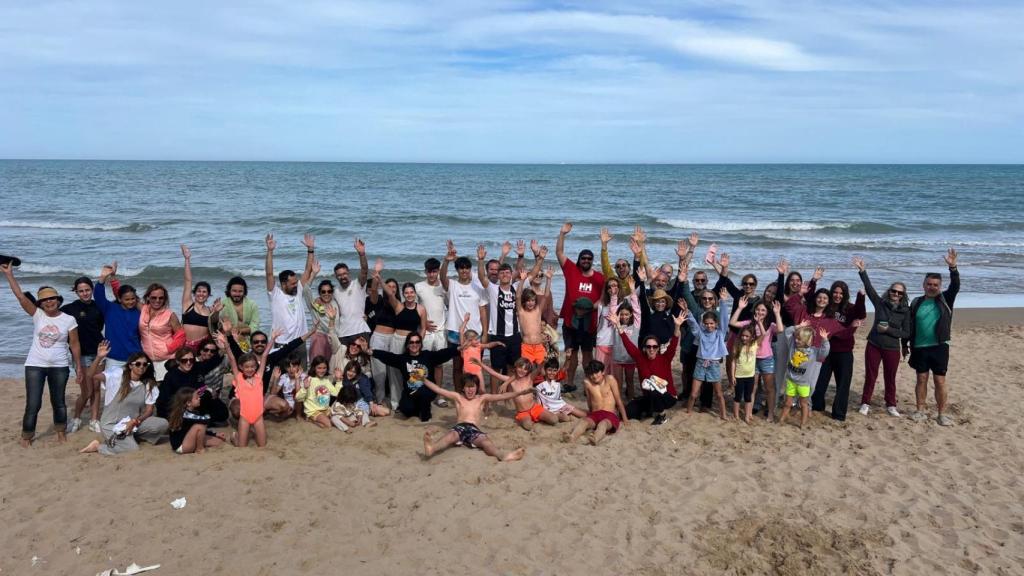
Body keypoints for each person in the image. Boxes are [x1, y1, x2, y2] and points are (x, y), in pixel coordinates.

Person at [2, 263, 82, 447]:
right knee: (33, 404)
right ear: (40, 303)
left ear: (58, 300)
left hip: (60, 366)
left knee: (59, 402)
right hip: (35, 365)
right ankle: (26, 436)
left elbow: (75, 344)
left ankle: (61, 433)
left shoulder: (69, 319)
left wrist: (78, 367)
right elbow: (21, 297)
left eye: (52, 298)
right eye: (45, 300)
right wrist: (9, 274)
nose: (49, 302)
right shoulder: (37, 314)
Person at [79, 342, 169, 455]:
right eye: (138, 364)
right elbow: (90, 375)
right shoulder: (117, 376)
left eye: (145, 364)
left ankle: (130, 437)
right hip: (111, 424)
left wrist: (136, 421)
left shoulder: (148, 384)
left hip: (133, 424)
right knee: (131, 450)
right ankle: (99, 447)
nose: (141, 367)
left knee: (162, 424)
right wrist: (99, 357)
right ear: (131, 365)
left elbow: (149, 410)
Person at [420, 374, 529, 462]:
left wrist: (520, 393)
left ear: (477, 388)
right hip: (460, 427)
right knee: (450, 436)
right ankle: (432, 448)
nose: (470, 390)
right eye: (468, 386)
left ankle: (502, 456)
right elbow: (438, 390)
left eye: (473, 386)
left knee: (486, 442)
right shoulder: (458, 398)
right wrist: (423, 380)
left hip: (474, 429)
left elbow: (501, 396)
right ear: (463, 388)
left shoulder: (482, 398)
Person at [853, 256, 911, 417]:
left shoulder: (906, 311)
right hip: (874, 344)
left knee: (890, 377)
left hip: (892, 348)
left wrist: (888, 330)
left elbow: (906, 333)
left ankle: (891, 405)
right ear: (889, 291)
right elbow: (869, 289)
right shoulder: (880, 303)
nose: (896, 294)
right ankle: (865, 403)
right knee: (871, 375)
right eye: (894, 291)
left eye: (900, 293)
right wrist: (862, 270)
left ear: (903, 295)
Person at [908, 248, 960, 426]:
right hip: (920, 346)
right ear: (924, 285)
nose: (932, 287)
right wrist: (906, 343)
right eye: (929, 284)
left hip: (939, 345)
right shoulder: (916, 302)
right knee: (921, 379)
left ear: (940, 286)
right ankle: (920, 410)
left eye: (935, 285)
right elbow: (909, 324)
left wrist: (953, 268)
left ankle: (941, 414)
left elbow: (955, 286)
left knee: (939, 380)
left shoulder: (946, 299)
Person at [611, 307, 686, 425]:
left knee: (652, 388)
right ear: (644, 348)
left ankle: (661, 416)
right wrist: (618, 325)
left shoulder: (665, 358)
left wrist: (677, 326)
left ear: (658, 348)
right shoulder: (640, 358)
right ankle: (649, 412)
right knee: (628, 412)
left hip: (667, 397)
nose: (652, 349)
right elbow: (628, 344)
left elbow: (674, 342)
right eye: (649, 346)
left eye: (654, 347)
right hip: (649, 397)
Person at [555, 221, 605, 389]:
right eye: (583, 258)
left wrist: (593, 306)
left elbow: (604, 297)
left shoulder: (599, 277)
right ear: (579, 259)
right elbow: (559, 252)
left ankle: (589, 383)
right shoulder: (571, 270)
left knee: (587, 355)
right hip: (571, 321)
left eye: (589, 259)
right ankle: (569, 383)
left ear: (592, 261)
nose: (586, 260)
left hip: (589, 323)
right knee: (571, 354)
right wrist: (562, 234)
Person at [372, 333, 458, 422]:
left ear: (420, 344)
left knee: (423, 395)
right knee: (406, 409)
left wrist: (458, 349)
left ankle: (426, 414)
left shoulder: (428, 356)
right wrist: (372, 352)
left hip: (427, 390)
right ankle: (419, 407)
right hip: (411, 392)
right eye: (411, 342)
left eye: (417, 342)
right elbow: (388, 357)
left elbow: (444, 353)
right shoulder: (403, 359)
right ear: (407, 344)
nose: (414, 344)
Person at [442, 242, 489, 393]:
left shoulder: (478, 288)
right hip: (456, 332)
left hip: (475, 333)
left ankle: (472, 392)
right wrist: (447, 260)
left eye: (467, 268)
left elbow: (483, 311)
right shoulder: (453, 285)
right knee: (457, 366)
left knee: (474, 366)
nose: (464, 270)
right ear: (457, 270)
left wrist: (485, 334)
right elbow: (442, 277)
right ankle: (458, 393)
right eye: (461, 268)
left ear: (470, 270)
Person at [61, 276, 104, 434]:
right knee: (87, 391)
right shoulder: (69, 309)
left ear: (92, 290)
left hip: (99, 351)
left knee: (97, 388)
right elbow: (51, 313)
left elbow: (99, 326)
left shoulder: (99, 306)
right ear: (76, 292)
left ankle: (94, 420)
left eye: (87, 290)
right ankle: (77, 417)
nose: (85, 293)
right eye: (81, 291)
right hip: (81, 355)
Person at [729, 298, 784, 421]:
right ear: (754, 311)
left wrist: (777, 313)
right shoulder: (749, 323)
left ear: (767, 312)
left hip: (766, 359)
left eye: (763, 310)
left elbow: (780, 330)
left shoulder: (770, 325)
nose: (760, 312)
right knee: (752, 387)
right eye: (758, 309)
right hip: (751, 360)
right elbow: (733, 322)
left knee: (769, 388)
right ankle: (749, 413)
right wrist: (740, 308)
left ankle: (770, 413)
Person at [220, 330, 276, 447]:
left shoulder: (259, 377)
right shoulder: (239, 378)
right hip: (244, 417)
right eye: (247, 367)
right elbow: (231, 358)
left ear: (256, 366)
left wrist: (273, 338)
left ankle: (248, 433)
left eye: (252, 366)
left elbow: (265, 355)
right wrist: (226, 343)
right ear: (241, 367)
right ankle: (234, 436)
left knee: (262, 445)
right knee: (242, 446)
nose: (250, 369)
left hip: (258, 417)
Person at [685, 288, 732, 419]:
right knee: (694, 394)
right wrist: (687, 312)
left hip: (714, 365)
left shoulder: (720, 333)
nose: (709, 326)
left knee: (718, 394)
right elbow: (693, 325)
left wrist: (723, 302)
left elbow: (724, 319)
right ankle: (688, 413)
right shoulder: (701, 333)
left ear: (716, 324)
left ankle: (723, 415)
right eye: (706, 324)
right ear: (703, 324)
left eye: (711, 323)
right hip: (700, 364)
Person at [476, 358, 559, 430]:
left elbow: (538, 369)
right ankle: (531, 419)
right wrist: (480, 364)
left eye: (525, 369)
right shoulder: (511, 381)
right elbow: (494, 373)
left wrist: (543, 361)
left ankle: (541, 416)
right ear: (516, 367)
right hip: (523, 412)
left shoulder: (530, 378)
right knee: (528, 426)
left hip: (534, 407)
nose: (522, 371)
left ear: (528, 371)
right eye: (520, 367)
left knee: (554, 420)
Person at [265, 232, 314, 351]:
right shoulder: (275, 294)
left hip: (300, 342)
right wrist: (270, 251)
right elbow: (269, 273)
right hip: (282, 344)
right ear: (283, 284)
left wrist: (310, 250)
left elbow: (307, 270)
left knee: (301, 370)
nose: (295, 285)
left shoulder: (298, 291)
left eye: (296, 282)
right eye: (292, 283)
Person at [156, 347, 229, 423]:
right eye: (184, 360)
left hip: (199, 401)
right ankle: (199, 421)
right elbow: (164, 400)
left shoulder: (196, 367)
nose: (188, 363)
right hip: (181, 406)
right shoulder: (171, 376)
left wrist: (223, 348)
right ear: (178, 361)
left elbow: (211, 362)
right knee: (206, 396)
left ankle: (201, 420)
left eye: (191, 360)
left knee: (223, 412)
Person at [778, 325, 831, 429]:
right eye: (796, 338)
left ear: (807, 341)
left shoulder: (813, 352)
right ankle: (781, 420)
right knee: (787, 403)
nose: (796, 340)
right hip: (791, 381)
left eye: (799, 339)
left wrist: (825, 340)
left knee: (803, 404)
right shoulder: (792, 346)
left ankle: (803, 423)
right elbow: (787, 332)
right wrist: (798, 326)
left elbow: (824, 352)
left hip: (803, 384)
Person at [565, 360, 629, 445]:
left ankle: (595, 438)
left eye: (596, 372)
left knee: (603, 424)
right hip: (595, 414)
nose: (594, 376)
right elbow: (589, 403)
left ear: (603, 372)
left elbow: (618, 400)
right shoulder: (587, 383)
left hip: (609, 415)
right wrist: (590, 414)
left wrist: (625, 419)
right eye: (591, 374)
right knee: (583, 422)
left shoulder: (610, 379)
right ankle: (572, 437)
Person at [93, 261, 142, 370]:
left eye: (133, 299)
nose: (130, 302)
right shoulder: (110, 309)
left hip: (135, 358)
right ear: (120, 299)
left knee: (135, 387)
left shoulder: (139, 313)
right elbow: (98, 296)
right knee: (114, 387)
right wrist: (103, 278)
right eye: (127, 299)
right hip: (114, 359)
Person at [139, 283, 185, 381]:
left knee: (164, 390)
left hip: (166, 360)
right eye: (154, 297)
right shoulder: (143, 309)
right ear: (148, 297)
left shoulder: (170, 315)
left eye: (161, 298)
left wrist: (168, 349)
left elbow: (181, 336)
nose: (157, 300)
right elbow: (123, 296)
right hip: (147, 360)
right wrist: (113, 279)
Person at [330, 237, 372, 345]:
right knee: (345, 362)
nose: (342, 277)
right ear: (335, 276)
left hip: (361, 330)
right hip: (343, 333)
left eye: (344, 273)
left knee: (363, 361)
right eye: (339, 275)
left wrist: (362, 254)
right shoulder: (335, 291)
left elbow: (364, 270)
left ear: (348, 273)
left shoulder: (358, 285)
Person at [415, 257, 449, 387]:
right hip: (425, 332)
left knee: (438, 365)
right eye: (429, 272)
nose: (432, 274)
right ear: (425, 272)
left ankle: (438, 394)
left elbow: (450, 305)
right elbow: (412, 308)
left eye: (434, 271)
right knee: (421, 362)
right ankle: (418, 390)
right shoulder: (418, 287)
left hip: (441, 331)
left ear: (438, 271)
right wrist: (423, 323)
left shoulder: (443, 287)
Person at [166, 387, 227, 454]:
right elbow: (205, 420)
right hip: (182, 446)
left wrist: (215, 434)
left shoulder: (193, 412)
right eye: (196, 398)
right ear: (188, 403)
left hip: (189, 439)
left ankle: (198, 446)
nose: (199, 399)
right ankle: (199, 449)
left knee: (219, 442)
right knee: (199, 426)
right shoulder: (185, 414)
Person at [209, 276, 260, 351]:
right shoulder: (223, 304)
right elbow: (213, 322)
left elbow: (255, 327)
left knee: (245, 359)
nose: (237, 294)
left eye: (240, 291)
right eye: (234, 291)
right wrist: (216, 312)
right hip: (226, 341)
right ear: (229, 291)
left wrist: (239, 331)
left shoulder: (252, 305)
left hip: (245, 341)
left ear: (244, 291)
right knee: (228, 360)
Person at [301, 259, 338, 362]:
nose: (326, 294)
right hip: (319, 338)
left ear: (332, 292)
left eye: (329, 291)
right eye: (323, 291)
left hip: (333, 339)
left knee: (331, 369)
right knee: (316, 367)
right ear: (319, 293)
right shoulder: (314, 304)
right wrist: (313, 274)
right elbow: (306, 290)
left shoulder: (336, 304)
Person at [295, 356, 344, 430]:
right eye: (319, 368)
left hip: (326, 409)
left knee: (340, 419)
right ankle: (310, 419)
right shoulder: (308, 380)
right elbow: (298, 398)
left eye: (324, 368)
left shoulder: (326, 380)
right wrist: (305, 388)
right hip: (313, 411)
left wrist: (338, 380)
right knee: (329, 425)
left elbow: (336, 394)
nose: (322, 370)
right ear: (314, 368)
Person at [180, 245, 212, 351]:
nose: (201, 294)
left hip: (204, 348)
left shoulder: (210, 310)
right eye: (198, 291)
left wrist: (216, 312)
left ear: (208, 295)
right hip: (186, 346)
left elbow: (214, 330)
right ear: (194, 293)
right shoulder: (188, 304)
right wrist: (187, 259)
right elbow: (187, 280)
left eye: (204, 292)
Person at [458, 312, 505, 384]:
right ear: (469, 340)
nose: (478, 341)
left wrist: (497, 343)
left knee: (482, 390)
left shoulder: (478, 346)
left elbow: (488, 345)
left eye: (478, 339)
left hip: (478, 371)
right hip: (467, 371)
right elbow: (461, 331)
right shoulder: (465, 347)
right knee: (468, 386)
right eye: (475, 339)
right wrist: (465, 321)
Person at [729, 324, 759, 423]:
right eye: (743, 335)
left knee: (748, 397)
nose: (744, 337)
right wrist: (733, 376)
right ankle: (736, 415)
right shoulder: (737, 345)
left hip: (750, 376)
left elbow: (764, 334)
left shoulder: (754, 345)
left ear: (752, 337)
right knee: (737, 396)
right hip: (739, 376)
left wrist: (758, 323)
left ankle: (747, 416)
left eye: (747, 336)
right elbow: (733, 362)